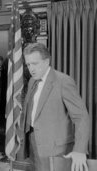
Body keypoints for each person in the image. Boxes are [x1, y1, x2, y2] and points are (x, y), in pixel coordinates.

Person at [21, 42, 90, 171]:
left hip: (56, 149)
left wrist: (80, 150)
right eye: (28, 64)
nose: (31, 69)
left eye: (35, 64)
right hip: (34, 144)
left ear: (47, 61)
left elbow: (81, 117)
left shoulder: (63, 81)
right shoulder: (32, 81)